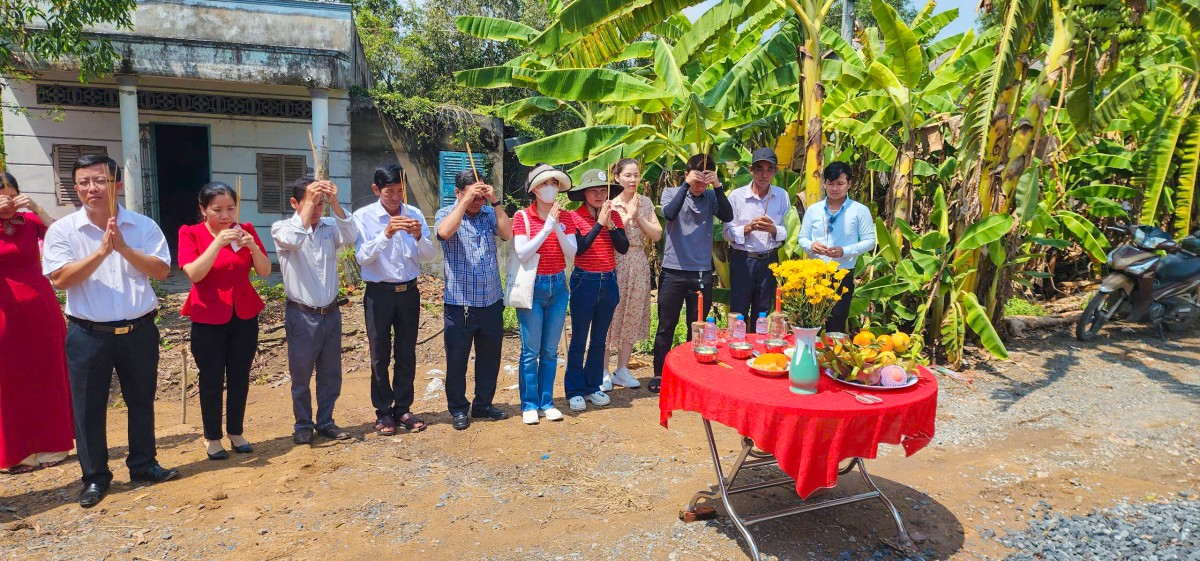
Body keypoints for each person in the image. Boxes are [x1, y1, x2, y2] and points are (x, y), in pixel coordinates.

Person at [42, 155, 178, 508]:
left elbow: (162, 271)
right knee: (88, 408)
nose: (93, 188)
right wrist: (103, 251)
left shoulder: (143, 226)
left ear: (116, 184)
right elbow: (60, 279)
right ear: (76, 188)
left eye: (100, 180)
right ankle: (95, 477)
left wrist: (124, 249)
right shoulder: (63, 231)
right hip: (88, 333)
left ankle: (143, 464)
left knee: (141, 400)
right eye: (84, 182)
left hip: (139, 330)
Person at [178, 182, 271, 460]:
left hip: (244, 314)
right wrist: (217, 244)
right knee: (211, 378)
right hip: (208, 315)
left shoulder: (246, 230)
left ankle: (236, 432)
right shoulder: (190, 233)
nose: (225, 215)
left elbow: (265, 271)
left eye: (230, 208)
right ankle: (212, 437)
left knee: (240, 375)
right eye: (217, 210)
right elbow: (194, 274)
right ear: (203, 210)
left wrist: (253, 247)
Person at [271, 177, 358, 446]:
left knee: (330, 372)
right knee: (301, 374)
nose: (318, 209)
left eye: (321, 204)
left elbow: (352, 236)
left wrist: (335, 202)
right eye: (312, 203)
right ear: (294, 203)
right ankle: (303, 424)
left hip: (330, 313)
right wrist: (309, 202)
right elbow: (294, 240)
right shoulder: (282, 228)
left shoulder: (330, 226)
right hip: (301, 315)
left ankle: (326, 421)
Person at [353, 164, 436, 436]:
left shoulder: (414, 214)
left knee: (406, 352)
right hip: (379, 293)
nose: (396, 197)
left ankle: (403, 408)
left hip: (409, 292)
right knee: (379, 354)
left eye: (400, 191)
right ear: (376, 189)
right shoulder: (363, 217)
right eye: (389, 191)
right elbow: (362, 258)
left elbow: (429, 256)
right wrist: (386, 233)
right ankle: (383, 411)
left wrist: (418, 235)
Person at [0, 171, 73, 475]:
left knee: (48, 371)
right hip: (4, 312)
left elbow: (64, 238)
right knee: (9, 377)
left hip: (40, 308)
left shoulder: (30, 222)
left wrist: (38, 208)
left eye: (11, 194)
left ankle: (54, 443)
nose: (7, 201)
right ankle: (15, 451)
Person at [434, 170, 513, 430]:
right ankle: (458, 409)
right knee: (457, 360)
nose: (478, 201)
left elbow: (507, 234)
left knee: (490, 358)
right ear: (458, 192)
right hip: (460, 303)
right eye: (472, 195)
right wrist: (465, 202)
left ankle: (483, 404)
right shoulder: (446, 213)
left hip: (491, 300)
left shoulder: (489, 213)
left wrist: (495, 201)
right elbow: (443, 233)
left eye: (481, 195)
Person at [648, 154, 733, 393]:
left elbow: (727, 216)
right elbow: (669, 214)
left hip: (701, 272)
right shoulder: (672, 193)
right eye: (696, 178)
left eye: (704, 180)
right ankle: (660, 373)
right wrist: (686, 185)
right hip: (673, 271)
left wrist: (717, 186)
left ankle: (690, 375)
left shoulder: (711, 196)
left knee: (697, 328)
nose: (700, 185)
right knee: (666, 325)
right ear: (686, 174)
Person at [512, 163, 576, 425]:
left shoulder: (566, 217)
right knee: (531, 350)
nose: (550, 188)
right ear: (534, 189)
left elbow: (572, 252)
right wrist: (547, 226)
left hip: (558, 286)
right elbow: (522, 252)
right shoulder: (522, 217)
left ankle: (547, 402)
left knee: (550, 351)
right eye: (545, 183)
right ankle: (529, 403)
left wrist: (557, 226)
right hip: (533, 286)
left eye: (554, 183)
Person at [563, 169, 628, 413]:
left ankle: (592, 386)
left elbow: (623, 247)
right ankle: (574, 390)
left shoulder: (614, 215)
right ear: (584, 194)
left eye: (603, 190)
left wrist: (610, 225)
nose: (599, 195)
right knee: (579, 338)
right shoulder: (574, 217)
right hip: (584, 280)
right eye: (593, 191)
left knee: (600, 339)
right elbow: (580, 248)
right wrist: (600, 223)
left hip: (609, 280)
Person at [797, 161, 877, 333]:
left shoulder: (859, 211)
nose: (834, 188)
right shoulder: (813, 210)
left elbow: (870, 241)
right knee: (810, 323)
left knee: (836, 323)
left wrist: (844, 251)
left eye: (840, 184)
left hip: (842, 274)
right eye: (830, 183)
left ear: (849, 184)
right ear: (824, 184)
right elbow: (802, 238)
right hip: (814, 274)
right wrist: (811, 245)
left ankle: (834, 350)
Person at [603, 159, 661, 391]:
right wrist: (627, 215)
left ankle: (622, 369)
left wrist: (638, 216)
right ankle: (602, 370)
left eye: (636, 175)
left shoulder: (644, 202)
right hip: (615, 261)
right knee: (610, 315)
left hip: (638, 261)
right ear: (616, 177)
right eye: (628, 175)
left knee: (632, 314)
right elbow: (607, 234)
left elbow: (657, 234)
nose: (633, 180)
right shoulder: (609, 203)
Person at [724, 148, 790, 331]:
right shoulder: (737, 196)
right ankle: (738, 346)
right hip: (743, 259)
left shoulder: (782, 195)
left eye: (769, 169)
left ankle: (758, 346)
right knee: (738, 311)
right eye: (759, 169)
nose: (764, 174)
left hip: (769, 260)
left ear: (776, 171)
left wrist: (773, 229)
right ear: (751, 170)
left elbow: (787, 230)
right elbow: (726, 233)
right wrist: (748, 228)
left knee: (763, 311)